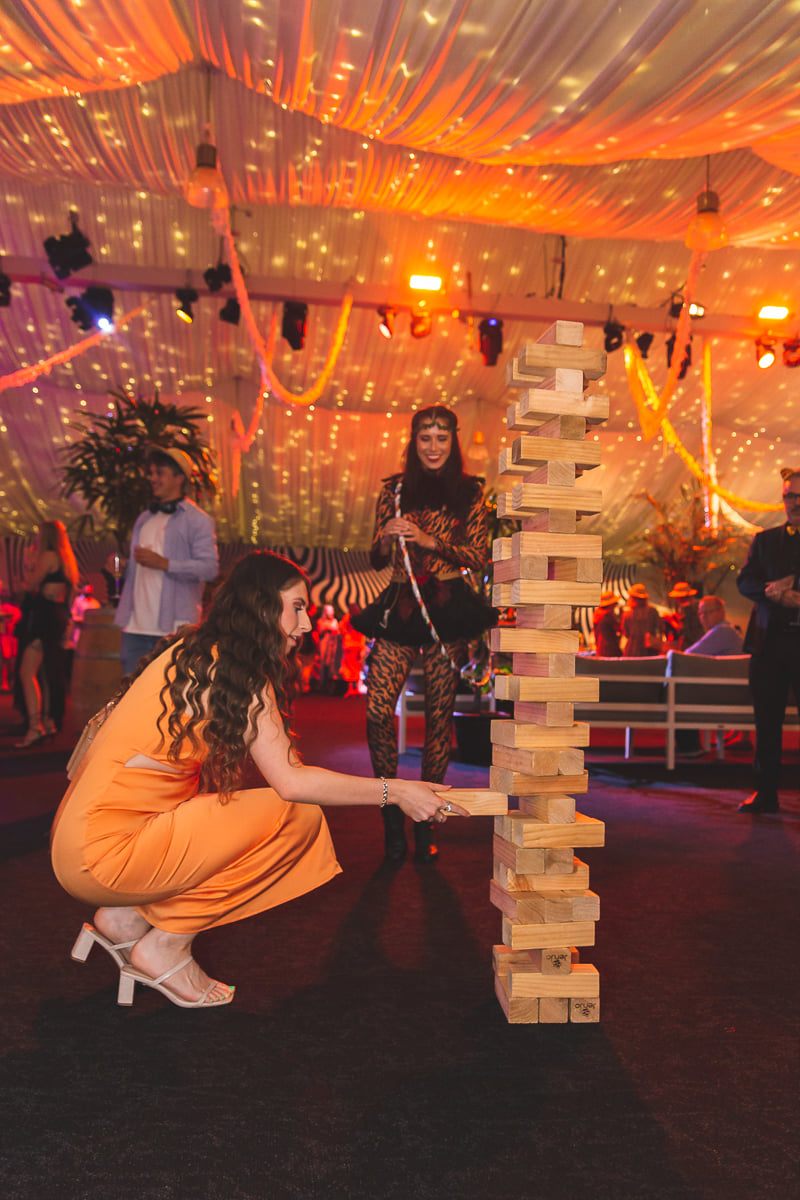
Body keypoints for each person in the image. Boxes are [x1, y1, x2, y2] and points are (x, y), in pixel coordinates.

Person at [50, 551, 467, 1010]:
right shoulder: (239, 674)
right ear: (261, 605)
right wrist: (398, 791)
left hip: (77, 841)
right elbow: (292, 783)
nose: (307, 624)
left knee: (226, 808)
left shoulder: (189, 648)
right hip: (104, 855)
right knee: (296, 816)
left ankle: (125, 920)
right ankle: (165, 944)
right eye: (298, 606)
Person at [352, 405, 496, 864]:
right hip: (399, 603)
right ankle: (392, 815)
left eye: (441, 438)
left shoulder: (470, 492)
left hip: (447, 608)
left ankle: (424, 823)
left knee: (438, 719)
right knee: (377, 712)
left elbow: (478, 555)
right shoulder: (394, 490)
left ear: (453, 442)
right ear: (413, 442)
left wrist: (430, 542)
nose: (433, 446)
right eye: (425, 438)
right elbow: (376, 558)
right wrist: (387, 537)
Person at [115, 446, 218, 677]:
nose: (152, 478)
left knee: (169, 699)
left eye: (159, 473)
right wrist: (124, 567)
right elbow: (139, 568)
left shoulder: (197, 520)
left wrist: (166, 564)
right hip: (135, 625)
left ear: (179, 477)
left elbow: (210, 568)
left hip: (174, 627)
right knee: (129, 699)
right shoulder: (145, 518)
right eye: (151, 473)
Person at [736, 467, 800, 813]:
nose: (795, 502)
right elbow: (744, 582)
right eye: (789, 495)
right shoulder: (765, 540)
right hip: (769, 645)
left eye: (799, 495)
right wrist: (770, 592)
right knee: (767, 721)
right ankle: (766, 794)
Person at [14, 521, 78, 746]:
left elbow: (30, 584)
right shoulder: (66, 559)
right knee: (48, 670)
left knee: (26, 672)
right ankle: (49, 722)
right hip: (57, 613)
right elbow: (71, 592)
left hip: (43, 615)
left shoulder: (48, 556)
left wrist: (28, 564)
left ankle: (34, 727)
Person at [674, 596, 745, 758]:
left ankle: (689, 746)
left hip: (727, 693)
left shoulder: (723, 631)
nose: (703, 617)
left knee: (681, 692)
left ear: (722, 612)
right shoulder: (726, 630)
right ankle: (690, 745)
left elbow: (688, 656)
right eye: (700, 614)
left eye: (708, 612)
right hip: (731, 689)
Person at [621, 584, 663, 657]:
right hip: (649, 648)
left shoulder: (627, 614)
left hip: (631, 649)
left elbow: (626, 633)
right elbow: (660, 627)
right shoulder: (652, 611)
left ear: (632, 598)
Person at [664, 581, 703, 649]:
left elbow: (682, 630)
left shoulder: (686, 608)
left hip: (690, 644)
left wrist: (671, 621)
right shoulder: (698, 605)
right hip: (700, 642)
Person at [314, 603, 343, 693]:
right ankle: (322, 684)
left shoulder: (334, 621)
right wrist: (326, 630)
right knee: (323, 664)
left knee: (333, 664)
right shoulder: (320, 621)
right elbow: (320, 634)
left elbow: (338, 633)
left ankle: (332, 685)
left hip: (334, 645)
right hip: (324, 644)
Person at [0, 579, 22, 692]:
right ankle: (4, 682)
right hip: (6, 636)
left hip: (14, 637)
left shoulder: (19, 609)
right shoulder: (5, 607)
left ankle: (12, 682)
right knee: (5, 660)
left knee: (13, 661)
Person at [592, 591, 622, 656]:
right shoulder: (607, 615)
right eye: (615, 603)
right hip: (609, 646)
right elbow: (619, 628)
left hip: (600, 644)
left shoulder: (597, 612)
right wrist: (621, 615)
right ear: (611, 604)